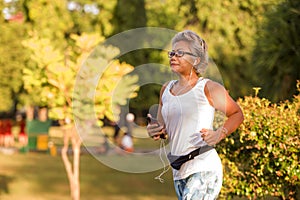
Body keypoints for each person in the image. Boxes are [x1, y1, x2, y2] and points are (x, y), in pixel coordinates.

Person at [146, 30, 244, 199]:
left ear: (196, 60)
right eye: (172, 53)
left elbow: (237, 113)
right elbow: (163, 129)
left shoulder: (208, 88)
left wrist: (219, 134)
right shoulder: (166, 90)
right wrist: (155, 130)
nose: (173, 56)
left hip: (203, 167)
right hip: (179, 172)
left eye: (180, 53)